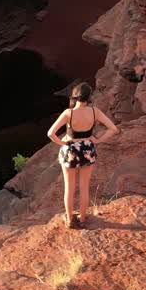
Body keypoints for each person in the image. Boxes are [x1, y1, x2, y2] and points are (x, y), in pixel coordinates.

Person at [46, 82, 119, 228]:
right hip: (87, 149)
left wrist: (63, 143)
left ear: (74, 96)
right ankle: (83, 219)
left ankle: (70, 220)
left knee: (69, 187)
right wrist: (97, 140)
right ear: (88, 96)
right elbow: (113, 129)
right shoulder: (94, 111)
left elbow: (50, 133)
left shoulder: (68, 113)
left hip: (70, 150)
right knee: (84, 186)